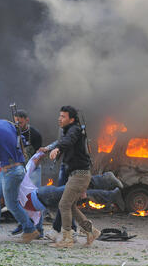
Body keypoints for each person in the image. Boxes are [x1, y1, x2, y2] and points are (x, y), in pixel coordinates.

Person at [0, 105, 39, 243]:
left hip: (10, 171)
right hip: (15, 169)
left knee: (11, 204)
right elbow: (21, 138)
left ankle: (30, 230)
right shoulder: (8, 124)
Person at [49, 106, 99, 248]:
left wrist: (58, 148)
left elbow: (68, 141)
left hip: (80, 175)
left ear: (71, 119)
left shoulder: (74, 130)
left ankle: (67, 239)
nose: (60, 118)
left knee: (64, 204)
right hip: (77, 175)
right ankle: (91, 231)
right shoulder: (69, 130)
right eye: (59, 116)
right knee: (70, 205)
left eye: (63, 116)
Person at [12, 109, 44, 237]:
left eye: (20, 121)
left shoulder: (35, 134)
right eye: (16, 122)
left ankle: (39, 229)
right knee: (20, 199)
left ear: (26, 120)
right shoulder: (13, 132)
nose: (18, 124)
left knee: (36, 199)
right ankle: (23, 224)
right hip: (19, 168)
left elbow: (39, 154)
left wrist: (31, 168)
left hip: (33, 170)